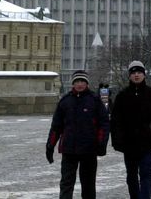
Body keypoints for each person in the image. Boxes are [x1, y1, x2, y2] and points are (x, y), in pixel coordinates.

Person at [46, 70, 110, 199]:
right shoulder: (65, 101)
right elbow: (56, 127)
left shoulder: (95, 101)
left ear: (86, 84)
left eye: (82, 81)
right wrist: (50, 146)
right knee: (66, 184)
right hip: (69, 149)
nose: (79, 84)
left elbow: (104, 124)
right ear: (73, 84)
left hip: (89, 150)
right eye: (77, 81)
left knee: (88, 185)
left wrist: (101, 143)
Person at [110, 60, 151, 199]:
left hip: (147, 143)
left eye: (139, 72)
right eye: (134, 73)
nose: (136, 75)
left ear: (144, 75)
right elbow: (115, 121)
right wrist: (117, 140)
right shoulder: (122, 96)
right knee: (131, 176)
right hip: (129, 144)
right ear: (129, 75)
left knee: (146, 174)